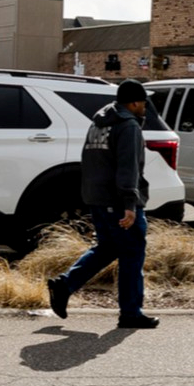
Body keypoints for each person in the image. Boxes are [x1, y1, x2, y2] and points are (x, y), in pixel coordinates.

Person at [45, 79, 161, 330]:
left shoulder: (99, 123)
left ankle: (64, 285)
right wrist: (130, 203)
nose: (145, 107)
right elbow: (127, 167)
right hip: (118, 201)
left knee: (108, 248)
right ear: (133, 103)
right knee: (132, 254)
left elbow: (90, 160)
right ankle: (130, 313)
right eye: (143, 102)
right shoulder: (128, 126)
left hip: (97, 198)